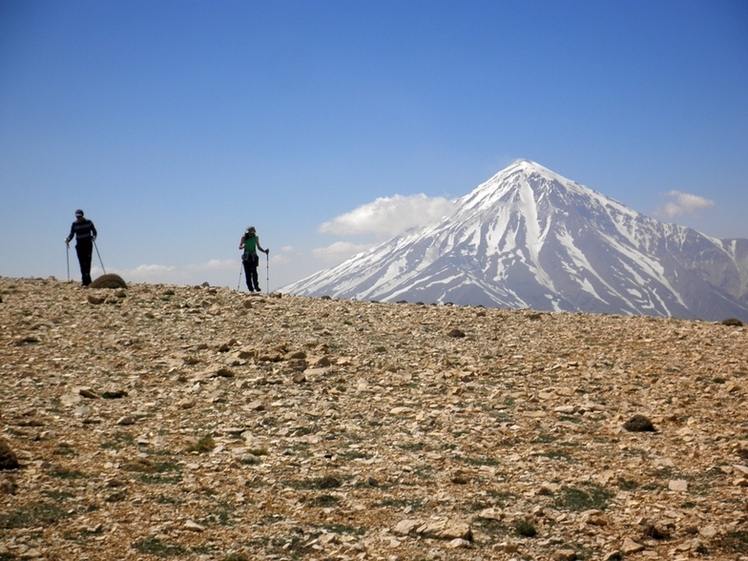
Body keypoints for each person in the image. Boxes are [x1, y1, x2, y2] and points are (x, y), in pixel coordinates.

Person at [65, 209, 97, 286]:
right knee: (82, 263)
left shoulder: (89, 222)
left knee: (88, 262)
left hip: (88, 244)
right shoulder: (74, 224)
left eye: (80, 216)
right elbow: (72, 233)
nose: (78, 218)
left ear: (82, 215)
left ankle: (87, 281)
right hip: (79, 245)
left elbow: (94, 231)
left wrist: (94, 236)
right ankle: (85, 281)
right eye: (77, 217)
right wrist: (68, 239)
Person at [239, 226, 269, 292]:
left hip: (253, 257)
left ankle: (256, 286)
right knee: (248, 274)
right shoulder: (243, 238)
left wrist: (264, 251)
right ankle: (251, 289)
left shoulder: (256, 238)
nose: (250, 235)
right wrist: (243, 246)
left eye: (251, 233)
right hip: (246, 258)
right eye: (249, 233)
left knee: (254, 272)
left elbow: (258, 247)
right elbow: (239, 247)